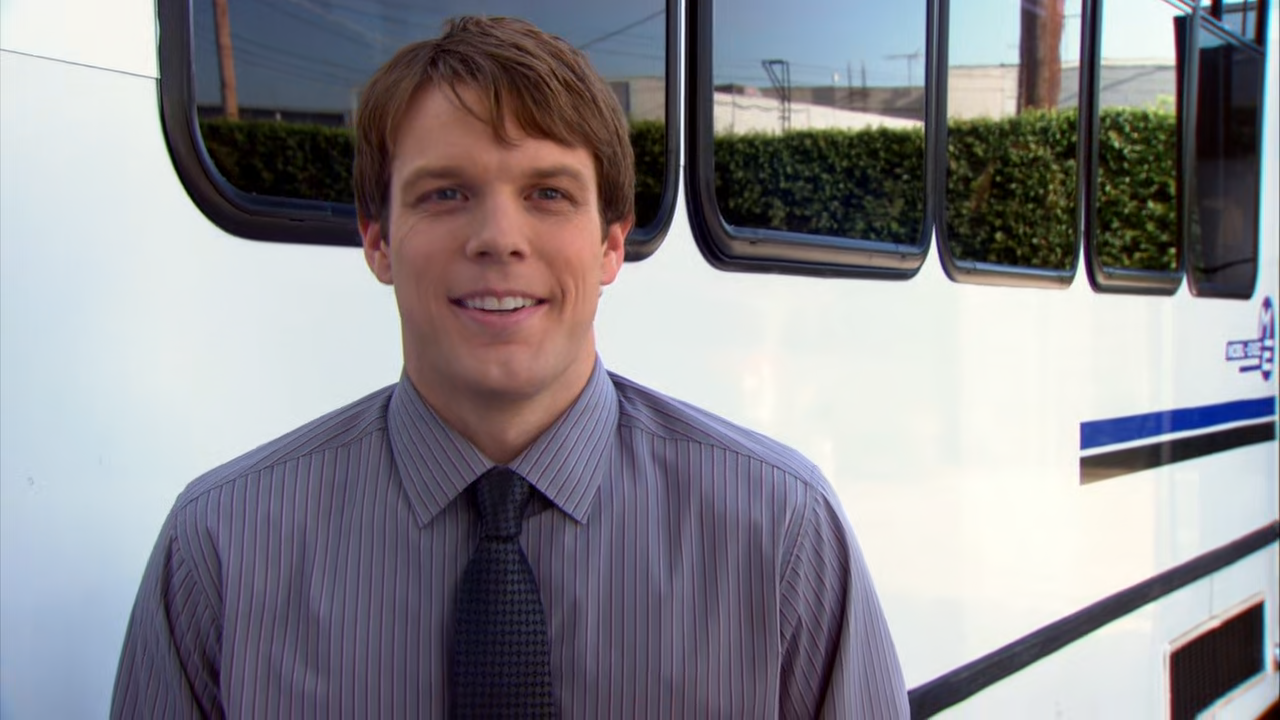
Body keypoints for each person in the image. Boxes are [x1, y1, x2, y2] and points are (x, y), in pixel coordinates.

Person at [110, 15, 909, 719]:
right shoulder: (219, 549)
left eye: (549, 194)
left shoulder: (783, 535)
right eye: (445, 193)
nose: (498, 237)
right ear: (377, 241)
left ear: (610, 245)